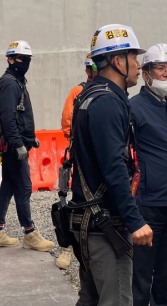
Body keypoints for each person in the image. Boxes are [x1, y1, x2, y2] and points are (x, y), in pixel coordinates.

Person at [68, 24, 153, 305]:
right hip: (105, 226)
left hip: (89, 220)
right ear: (118, 61)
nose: (138, 65)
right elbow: (114, 168)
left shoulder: (90, 95)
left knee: (90, 300)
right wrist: (135, 221)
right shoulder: (107, 103)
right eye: (134, 57)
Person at [130, 43, 167, 306]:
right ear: (146, 73)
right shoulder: (132, 109)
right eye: (160, 68)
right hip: (148, 205)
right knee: (141, 275)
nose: (166, 74)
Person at [0, 40, 55, 252]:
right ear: (10, 59)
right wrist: (18, 145)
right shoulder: (9, 83)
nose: (24, 62)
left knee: (8, 185)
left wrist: (30, 138)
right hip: (12, 147)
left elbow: (19, 114)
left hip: (15, 144)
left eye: (27, 59)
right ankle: (30, 233)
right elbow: (8, 119)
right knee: (24, 187)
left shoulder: (16, 81)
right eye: (20, 59)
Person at [55, 54, 98, 270]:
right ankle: (68, 247)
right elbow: (67, 121)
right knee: (76, 199)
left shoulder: (110, 93)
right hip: (80, 155)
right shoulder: (78, 92)